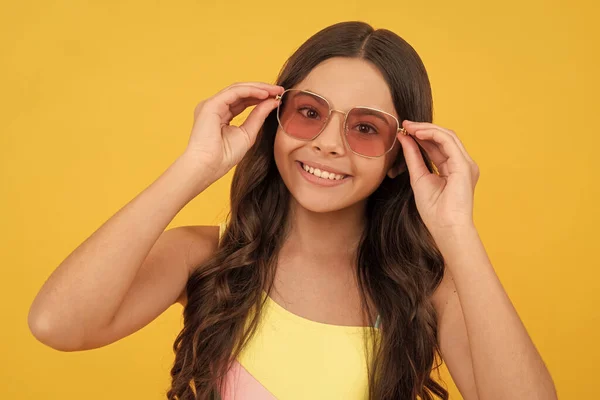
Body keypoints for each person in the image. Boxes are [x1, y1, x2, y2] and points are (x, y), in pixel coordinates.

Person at [28, 21, 557, 400]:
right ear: (275, 120)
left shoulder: (432, 293)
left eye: (366, 128)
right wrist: (192, 168)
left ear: (402, 157)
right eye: (309, 113)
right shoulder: (206, 256)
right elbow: (57, 325)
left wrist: (457, 231)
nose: (328, 144)